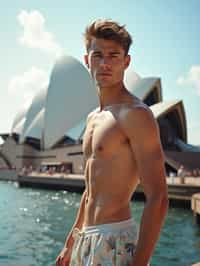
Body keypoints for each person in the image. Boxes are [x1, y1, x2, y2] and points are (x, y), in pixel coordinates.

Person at [56, 19, 168, 266]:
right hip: (85, 237)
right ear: (87, 61)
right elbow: (90, 190)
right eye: (97, 55)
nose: (105, 63)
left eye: (113, 55)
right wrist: (70, 242)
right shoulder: (93, 118)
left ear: (126, 62)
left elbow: (158, 197)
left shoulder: (136, 114)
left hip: (115, 238)